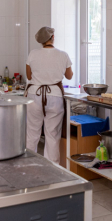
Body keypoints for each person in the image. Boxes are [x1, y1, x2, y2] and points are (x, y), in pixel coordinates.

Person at [25, 26, 73, 163]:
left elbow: (29, 76)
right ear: (52, 37)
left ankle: (28, 164)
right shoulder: (63, 55)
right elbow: (69, 76)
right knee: (52, 134)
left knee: (32, 132)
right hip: (55, 96)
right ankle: (52, 167)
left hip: (34, 95)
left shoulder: (33, 54)